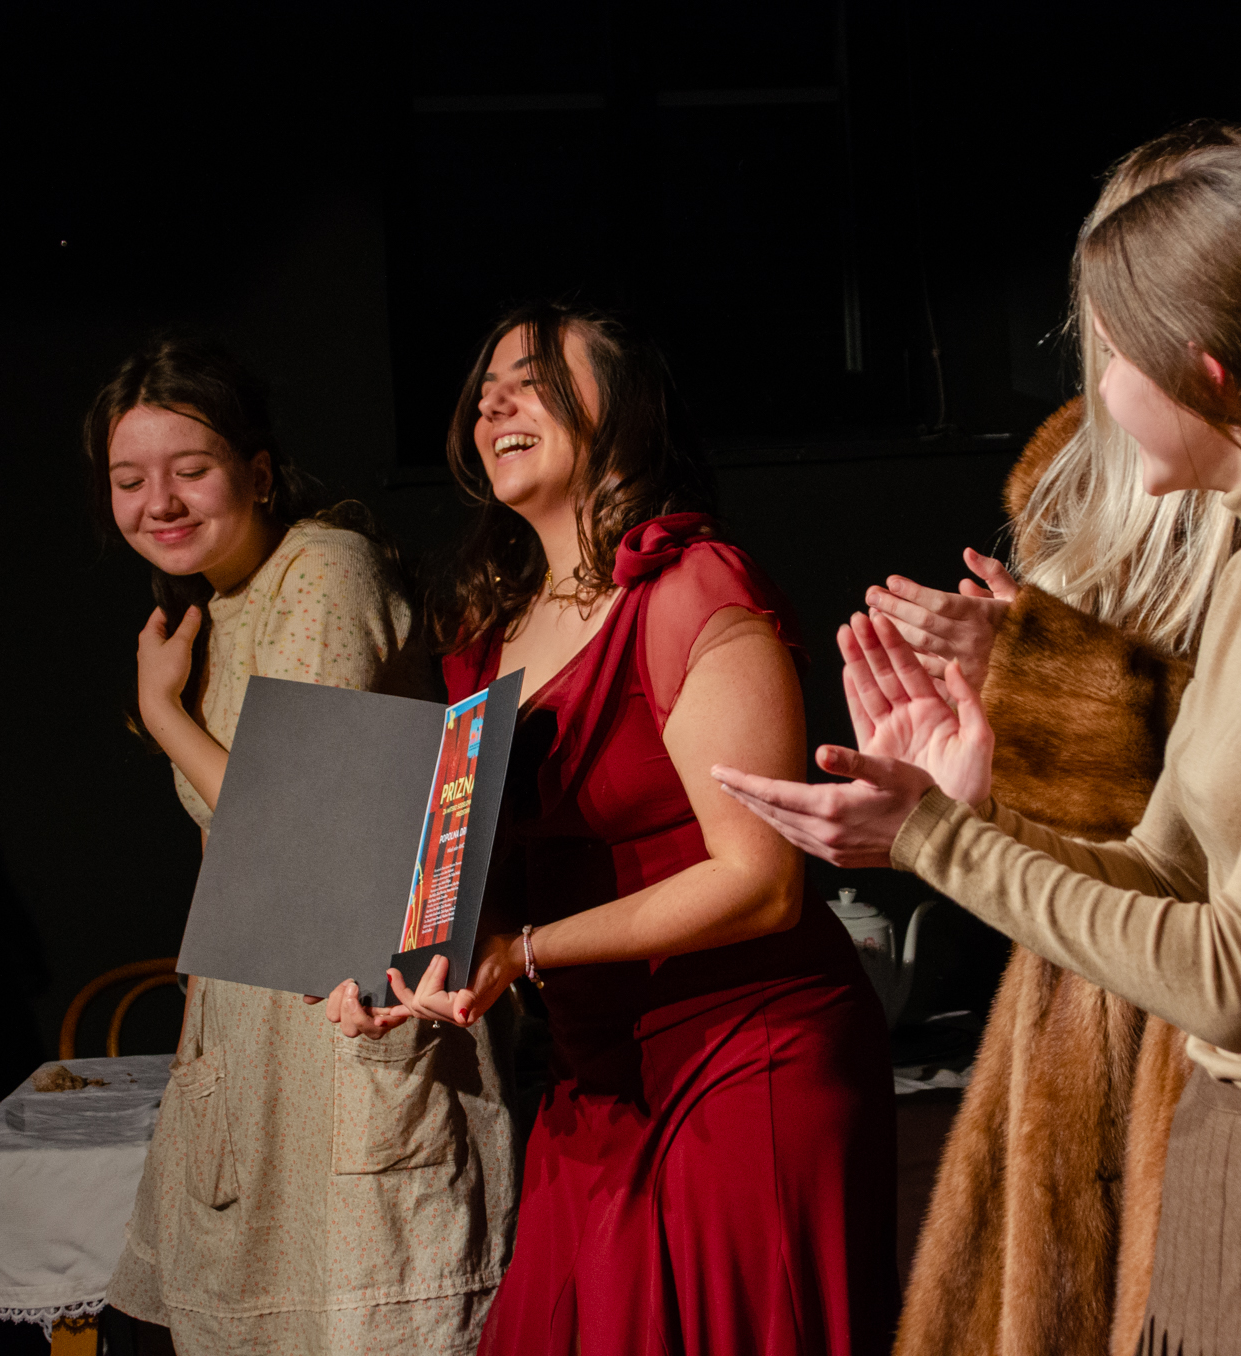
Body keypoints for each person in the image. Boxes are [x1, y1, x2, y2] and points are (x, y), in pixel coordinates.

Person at [719, 135, 1241, 1351]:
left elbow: (1237, 979)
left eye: (1116, 356)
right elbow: (1161, 866)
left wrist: (933, 842)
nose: (1098, 391)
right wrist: (942, 819)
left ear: (1203, 373)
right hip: (1217, 1148)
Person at [325, 302, 895, 1355]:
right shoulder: (488, 636)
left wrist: (524, 953)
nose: (494, 402)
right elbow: (484, 886)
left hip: (748, 1055)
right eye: (485, 388)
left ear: (623, 410)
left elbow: (762, 881)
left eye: (534, 378)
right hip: (595, 1078)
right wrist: (394, 970)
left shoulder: (689, 585)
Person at [867, 123, 1241, 1356]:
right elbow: (1082, 818)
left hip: (1211, 1010)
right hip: (1068, 995)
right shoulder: (1069, 486)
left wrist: (1041, 678)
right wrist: (970, 767)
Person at [92, 334, 517, 1354]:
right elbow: (231, 859)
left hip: (347, 1024)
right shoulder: (209, 608)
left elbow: (295, 830)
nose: (159, 503)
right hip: (256, 1034)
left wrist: (163, 713)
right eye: (129, 481)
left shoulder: (323, 568)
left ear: (259, 472)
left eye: (190, 471)